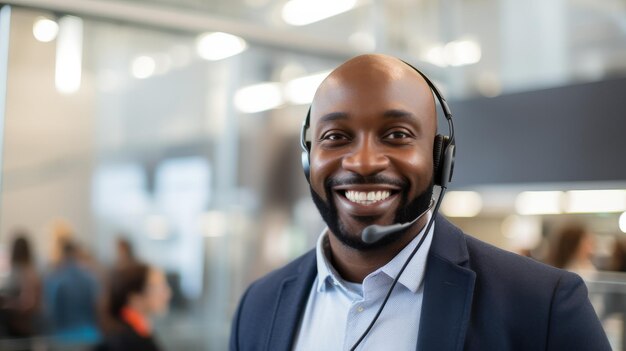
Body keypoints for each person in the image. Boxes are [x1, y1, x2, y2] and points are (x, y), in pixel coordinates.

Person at [229, 54, 611, 350]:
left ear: (440, 157)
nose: (363, 162)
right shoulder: (259, 305)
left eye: (396, 134)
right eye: (335, 136)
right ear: (308, 156)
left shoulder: (542, 306)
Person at [95, 263, 171, 351]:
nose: (168, 293)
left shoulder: (136, 332)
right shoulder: (126, 341)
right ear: (135, 297)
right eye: (159, 287)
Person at [43, 240, 101, 345]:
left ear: (63, 255)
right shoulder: (89, 278)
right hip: (89, 334)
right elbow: (96, 306)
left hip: (65, 336)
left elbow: (53, 310)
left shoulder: (56, 279)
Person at [0, 233, 42, 338]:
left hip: (23, 329)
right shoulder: (28, 272)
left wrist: (6, 304)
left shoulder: (27, 274)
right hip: (21, 327)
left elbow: (27, 303)